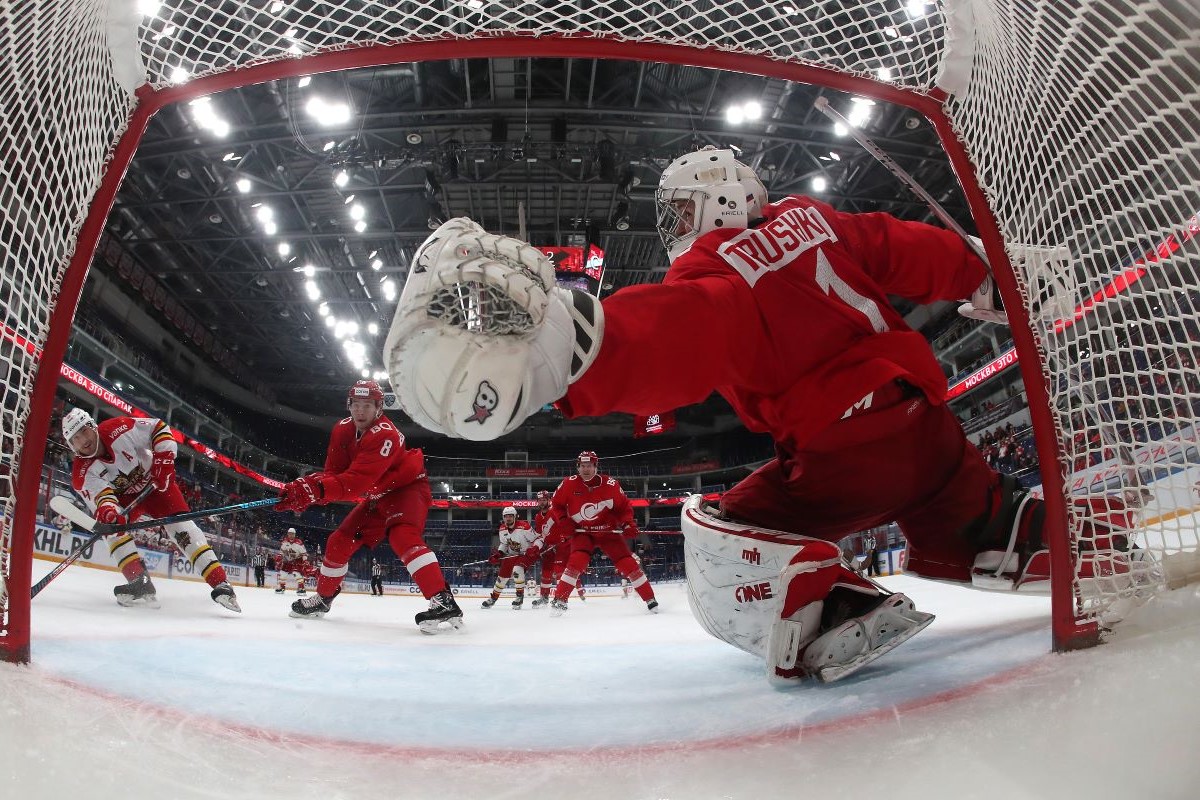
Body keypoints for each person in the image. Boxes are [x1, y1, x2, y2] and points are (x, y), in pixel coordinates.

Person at [385, 146, 1136, 682]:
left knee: (717, 534)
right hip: (930, 429)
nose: (675, 224)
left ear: (720, 201)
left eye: (680, 208)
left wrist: (571, 351)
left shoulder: (722, 274)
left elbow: (676, 337)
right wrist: (990, 270)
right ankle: (1057, 539)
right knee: (969, 510)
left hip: (843, 448)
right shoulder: (822, 223)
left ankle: (831, 602)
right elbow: (903, 245)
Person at [275, 380, 463, 633]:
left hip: (405, 489)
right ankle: (323, 598)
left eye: (367, 405)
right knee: (338, 541)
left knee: (402, 536)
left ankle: (443, 600)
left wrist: (314, 490)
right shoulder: (342, 429)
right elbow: (335, 474)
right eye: (356, 405)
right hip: (378, 494)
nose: (360, 411)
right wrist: (305, 488)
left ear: (379, 408)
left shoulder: (385, 433)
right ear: (348, 405)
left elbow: (355, 483)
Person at [62, 408, 240, 612]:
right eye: (75, 438)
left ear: (93, 426)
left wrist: (164, 457)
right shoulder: (81, 474)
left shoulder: (119, 428)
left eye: (84, 431)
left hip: (155, 483)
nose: (83, 439)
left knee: (182, 529)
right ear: (71, 446)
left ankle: (221, 584)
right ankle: (140, 582)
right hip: (124, 498)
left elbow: (158, 428)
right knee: (111, 531)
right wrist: (110, 513)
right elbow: (103, 498)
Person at [543, 452, 658, 616]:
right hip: (582, 532)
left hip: (607, 531)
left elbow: (623, 508)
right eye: (582, 466)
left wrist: (628, 523)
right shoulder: (568, 484)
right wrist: (563, 520)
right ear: (578, 467)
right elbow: (556, 504)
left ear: (596, 467)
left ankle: (650, 599)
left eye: (589, 466)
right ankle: (560, 600)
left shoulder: (611, 484)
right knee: (577, 561)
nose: (586, 469)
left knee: (627, 563)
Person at [530, 490, 585, 608]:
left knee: (560, 571)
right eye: (540, 500)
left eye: (544, 500)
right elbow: (540, 535)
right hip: (548, 548)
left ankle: (560, 599)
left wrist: (566, 536)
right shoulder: (538, 517)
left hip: (562, 546)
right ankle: (544, 598)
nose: (542, 502)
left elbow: (568, 524)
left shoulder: (555, 512)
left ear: (548, 500)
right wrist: (537, 547)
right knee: (545, 573)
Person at [481, 505, 541, 609]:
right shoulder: (502, 529)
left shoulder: (524, 527)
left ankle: (519, 597)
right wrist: (499, 553)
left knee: (517, 570)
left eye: (510, 516)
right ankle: (493, 598)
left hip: (527, 554)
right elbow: (504, 544)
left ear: (515, 516)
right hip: (512, 554)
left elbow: (539, 538)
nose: (508, 518)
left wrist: (535, 548)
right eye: (506, 516)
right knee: (502, 577)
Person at [275, 528, 308, 595]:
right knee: (282, 573)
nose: (291, 535)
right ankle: (282, 587)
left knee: (296, 573)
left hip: (297, 560)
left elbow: (304, 553)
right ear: (287, 534)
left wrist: (305, 561)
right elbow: (282, 551)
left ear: (294, 535)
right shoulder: (284, 542)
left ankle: (302, 588)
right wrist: (279, 556)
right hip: (288, 560)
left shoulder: (299, 543)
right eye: (289, 533)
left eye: (292, 534)